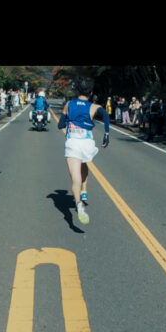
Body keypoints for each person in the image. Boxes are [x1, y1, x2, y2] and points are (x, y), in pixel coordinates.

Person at [58, 76, 110, 225]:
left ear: (76, 90)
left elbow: (60, 124)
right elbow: (105, 114)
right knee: (84, 163)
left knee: (75, 178)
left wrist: (67, 121)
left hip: (73, 143)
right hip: (87, 143)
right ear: (91, 91)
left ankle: (79, 205)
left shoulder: (69, 104)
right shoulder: (93, 107)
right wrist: (106, 134)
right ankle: (84, 190)